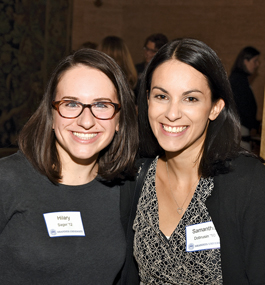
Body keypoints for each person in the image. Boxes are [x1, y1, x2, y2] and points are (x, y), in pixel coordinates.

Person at [123, 38, 265, 284]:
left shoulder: (248, 181)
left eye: (190, 99)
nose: (172, 113)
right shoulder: (134, 177)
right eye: (161, 96)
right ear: (147, 100)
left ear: (215, 107)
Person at [0, 48, 138, 284]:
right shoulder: (8, 180)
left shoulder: (126, 190)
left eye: (102, 105)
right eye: (72, 104)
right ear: (51, 114)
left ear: (119, 120)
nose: (86, 121)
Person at [229, 46, 261, 151]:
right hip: (239, 129)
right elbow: (242, 107)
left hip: (241, 128)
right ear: (245, 61)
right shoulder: (238, 80)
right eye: (255, 61)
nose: (257, 65)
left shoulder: (240, 79)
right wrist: (255, 124)